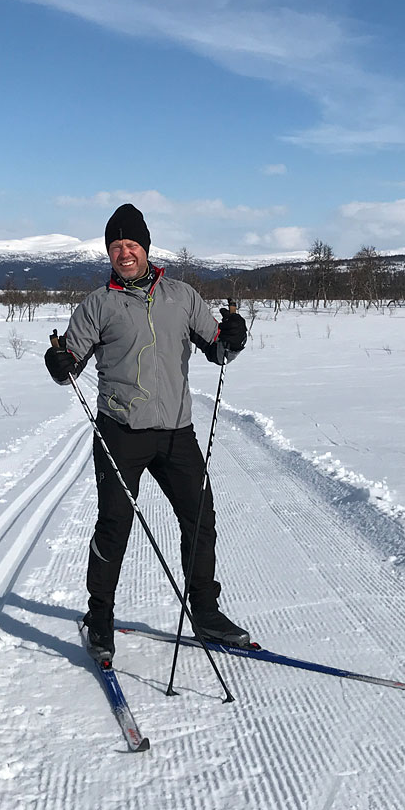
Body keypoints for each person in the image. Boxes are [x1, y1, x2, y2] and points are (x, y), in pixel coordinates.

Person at [44, 202, 250, 662]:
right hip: (121, 432)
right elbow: (69, 365)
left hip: (177, 432)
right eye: (115, 247)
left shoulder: (182, 296)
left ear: (146, 247)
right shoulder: (97, 304)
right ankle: (100, 618)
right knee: (114, 526)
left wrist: (232, 336)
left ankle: (207, 613)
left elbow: (218, 349)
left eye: (130, 244)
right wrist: (58, 363)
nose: (124, 253)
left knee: (200, 520)